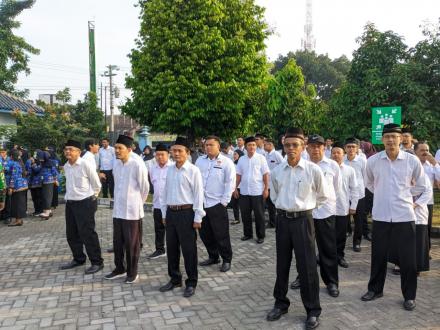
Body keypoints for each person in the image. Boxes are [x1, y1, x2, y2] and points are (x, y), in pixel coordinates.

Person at [266, 127, 327, 330]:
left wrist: (305, 210)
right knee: (282, 265)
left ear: (303, 146)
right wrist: (286, 210)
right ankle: (280, 304)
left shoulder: (313, 170)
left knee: (307, 267)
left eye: (295, 145)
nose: (291, 148)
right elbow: (274, 197)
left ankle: (312, 310)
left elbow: (322, 196)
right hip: (283, 221)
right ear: (283, 146)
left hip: (303, 222)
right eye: (287, 145)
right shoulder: (277, 172)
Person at [361, 123, 424, 311]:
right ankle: (375, 289)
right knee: (378, 255)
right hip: (380, 215)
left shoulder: (411, 161)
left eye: (394, 136)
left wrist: (404, 195)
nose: (390, 140)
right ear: (382, 139)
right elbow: (369, 183)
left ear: (401, 139)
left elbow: (421, 185)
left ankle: (409, 296)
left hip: (404, 215)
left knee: (408, 260)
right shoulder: (373, 161)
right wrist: (383, 195)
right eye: (387, 136)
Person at [159, 137, 205, 298]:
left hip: (187, 214)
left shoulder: (193, 170)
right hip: (171, 214)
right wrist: (164, 214)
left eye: (180, 150)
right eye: (174, 150)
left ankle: (191, 282)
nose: (176, 153)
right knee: (171, 248)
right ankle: (175, 279)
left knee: (189, 250)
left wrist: (198, 217)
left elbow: (199, 195)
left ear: (187, 152)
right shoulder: (170, 169)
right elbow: (165, 193)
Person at [104, 135, 149, 284]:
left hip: (132, 211)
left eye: (119, 148)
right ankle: (119, 268)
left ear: (129, 149)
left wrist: (137, 203)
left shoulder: (137, 164)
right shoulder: (116, 163)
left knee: (132, 244)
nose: (116, 151)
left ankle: (132, 272)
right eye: (115, 148)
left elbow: (145, 188)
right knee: (118, 242)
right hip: (118, 209)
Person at [59, 139, 104, 274]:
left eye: (71, 149)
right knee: (72, 234)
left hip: (85, 203)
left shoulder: (85, 164)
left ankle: (97, 262)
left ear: (78, 152)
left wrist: (92, 198)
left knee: (87, 233)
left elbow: (97, 184)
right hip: (70, 203)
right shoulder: (66, 166)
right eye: (66, 149)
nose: (68, 151)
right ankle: (78, 258)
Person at [305, 134, 341, 298]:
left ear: (324, 148)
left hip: (326, 212)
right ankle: (303, 278)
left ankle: (331, 282)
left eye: (319, 146)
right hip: (306, 212)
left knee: (328, 249)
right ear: (307, 148)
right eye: (312, 146)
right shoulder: (302, 165)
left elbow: (337, 188)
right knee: (305, 249)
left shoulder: (332, 165)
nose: (315, 149)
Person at [196, 136, 236, 273]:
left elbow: (230, 183)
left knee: (221, 234)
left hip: (217, 204)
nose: (208, 147)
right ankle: (213, 256)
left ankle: (226, 259)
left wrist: (224, 203)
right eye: (206, 145)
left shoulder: (226, 162)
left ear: (218, 146)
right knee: (205, 233)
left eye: (211, 145)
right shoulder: (199, 161)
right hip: (202, 204)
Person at [233, 136, 270, 244]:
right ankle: (247, 234)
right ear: (245, 146)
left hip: (257, 191)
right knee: (245, 215)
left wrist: (266, 189)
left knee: (259, 215)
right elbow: (238, 175)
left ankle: (260, 235)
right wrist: (235, 188)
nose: (252, 147)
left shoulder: (261, 158)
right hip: (244, 191)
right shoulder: (242, 159)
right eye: (249, 145)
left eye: (253, 145)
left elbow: (265, 174)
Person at [331, 142, 359, 268]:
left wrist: (353, 205)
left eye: (339, 152)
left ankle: (339, 256)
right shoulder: (325, 168)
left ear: (343, 154)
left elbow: (354, 189)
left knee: (341, 234)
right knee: (326, 235)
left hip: (342, 207)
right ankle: (324, 256)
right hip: (326, 209)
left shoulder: (349, 170)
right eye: (334, 152)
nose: (336, 155)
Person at [147, 143, 173, 259]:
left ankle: (173, 249)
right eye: (157, 155)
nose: (160, 157)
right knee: (158, 228)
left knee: (172, 229)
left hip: (170, 204)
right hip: (157, 204)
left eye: (162, 154)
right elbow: (153, 184)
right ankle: (159, 249)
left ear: (168, 154)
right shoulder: (153, 169)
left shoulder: (173, 167)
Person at [344, 137, 369, 252]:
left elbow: (366, 177)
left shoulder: (362, 161)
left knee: (359, 221)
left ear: (357, 148)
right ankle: (341, 241)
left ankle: (357, 242)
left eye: (353, 147)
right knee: (343, 220)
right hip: (344, 195)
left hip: (359, 195)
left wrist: (361, 190)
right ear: (345, 148)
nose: (351, 149)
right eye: (348, 147)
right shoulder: (341, 159)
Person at [414, 142, 440, 252]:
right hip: (410, 201)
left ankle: (425, 251)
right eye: (422, 150)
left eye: (427, 150)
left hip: (427, 201)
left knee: (426, 228)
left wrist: (435, 163)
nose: (425, 153)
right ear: (415, 152)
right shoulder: (412, 164)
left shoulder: (432, 165)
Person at [264, 138, 284, 228]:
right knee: (269, 204)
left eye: (266, 144)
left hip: (275, 183)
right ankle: (272, 221)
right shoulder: (266, 155)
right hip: (267, 183)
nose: (264, 146)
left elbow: (283, 166)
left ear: (271, 145)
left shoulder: (277, 154)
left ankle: (274, 223)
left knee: (273, 204)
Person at [7, 149, 28, 227]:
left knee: (17, 204)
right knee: (20, 203)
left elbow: (14, 176)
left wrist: (11, 187)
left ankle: (18, 221)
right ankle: (20, 220)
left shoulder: (15, 164)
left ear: (12, 156)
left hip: (17, 186)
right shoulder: (20, 162)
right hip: (23, 185)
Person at [36, 150, 58, 220]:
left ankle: (47, 212)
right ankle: (48, 211)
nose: (40, 159)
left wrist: (55, 180)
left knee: (47, 196)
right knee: (45, 196)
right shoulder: (43, 163)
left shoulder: (50, 163)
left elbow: (54, 172)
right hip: (44, 181)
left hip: (48, 181)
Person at [230, 149, 244, 225]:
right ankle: (237, 219)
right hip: (234, 186)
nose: (234, 156)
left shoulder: (242, 164)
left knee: (243, 205)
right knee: (234, 204)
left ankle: (245, 218)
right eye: (234, 154)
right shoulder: (232, 164)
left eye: (235, 154)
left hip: (242, 186)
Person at [26, 152, 43, 216]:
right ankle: (36, 210)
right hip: (32, 183)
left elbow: (36, 170)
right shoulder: (33, 162)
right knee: (34, 198)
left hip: (38, 183)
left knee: (38, 198)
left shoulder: (41, 163)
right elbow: (30, 171)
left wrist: (33, 163)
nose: (34, 157)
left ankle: (40, 211)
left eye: (36, 155)